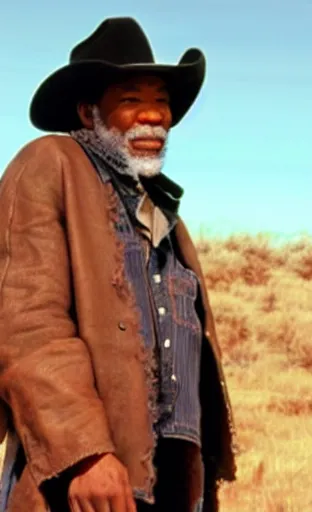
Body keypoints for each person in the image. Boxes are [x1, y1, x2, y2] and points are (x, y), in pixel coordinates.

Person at [0, 17, 236, 512]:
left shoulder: (163, 215)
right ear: (89, 112)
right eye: (131, 101)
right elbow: (25, 322)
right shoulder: (51, 163)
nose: (154, 115)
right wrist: (85, 452)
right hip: (86, 482)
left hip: (171, 480)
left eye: (162, 101)